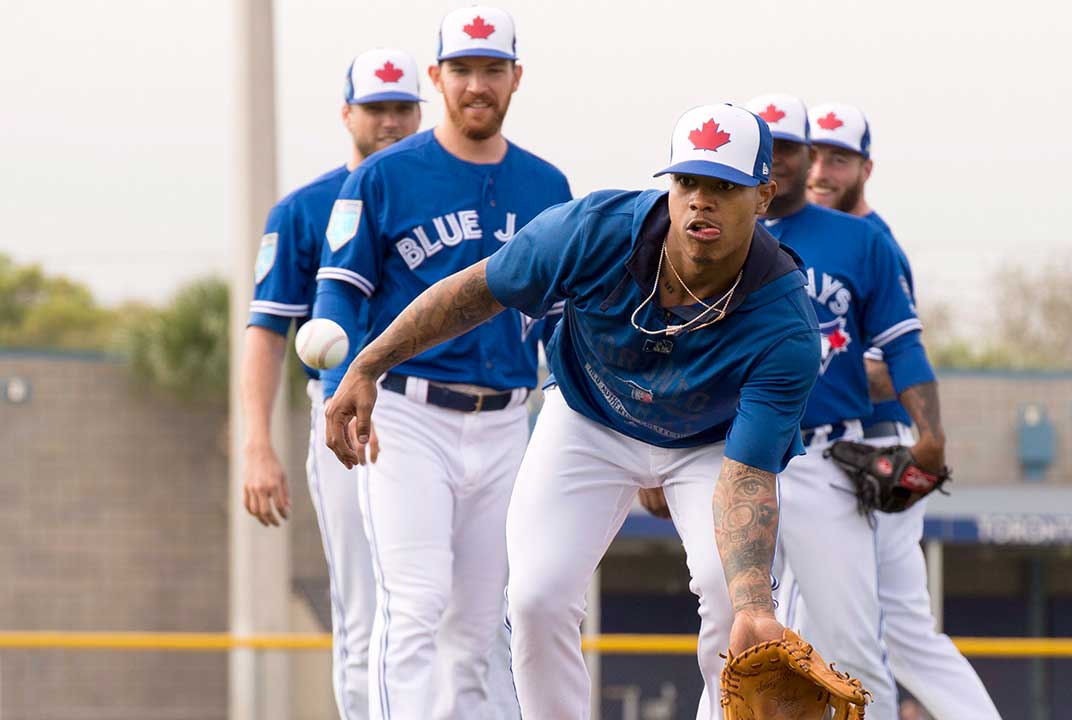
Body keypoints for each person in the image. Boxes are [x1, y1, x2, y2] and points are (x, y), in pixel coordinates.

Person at [325, 103, 821, 720]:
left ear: (764, 197)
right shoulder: (595, 230)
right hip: (589, 417)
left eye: (724, 187)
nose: (700, 201)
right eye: (688, 182)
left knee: (733, 605)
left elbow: (747, 477)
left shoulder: (786, 324)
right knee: (537, 598)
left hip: (706, 443)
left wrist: (754, 607)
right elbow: (476, 292)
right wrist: (371, 363)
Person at [311, 7, 570, 718]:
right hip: (405, 415)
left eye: (492, 69)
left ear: (516, 78)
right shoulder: (384, 177)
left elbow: (562, 325)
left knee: (481, 624)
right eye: (462, 70)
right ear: (438, 77)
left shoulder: (548, 188)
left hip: (507, 421)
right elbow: (339, 297)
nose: (477, 85)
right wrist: (341, 385)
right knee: (415, 603)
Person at [803, 100, 1001, 719]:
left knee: (884, 630)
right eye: (812, 155)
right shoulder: (813, 237)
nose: (821, 171)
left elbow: (900, 366)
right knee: (855, 625)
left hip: (873, 448)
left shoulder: (873, 241)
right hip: (837, 448)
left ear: (865, 167)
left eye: (838, 158)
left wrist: (820, 376)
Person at [241, 47, 422, 720]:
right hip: (346, 419)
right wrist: (258, 444)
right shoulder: (304, 211)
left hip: (442, 413)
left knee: (462, 607)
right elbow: (265, 332)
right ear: (347, 114)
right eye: (376, 109)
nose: (391, 122)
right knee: (365, 608)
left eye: (403, 108)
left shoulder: (439, 197)